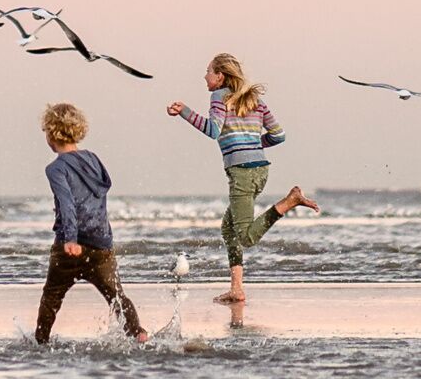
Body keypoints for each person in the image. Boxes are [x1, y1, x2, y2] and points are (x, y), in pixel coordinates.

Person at [170, 52, 317, 306]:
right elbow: (278, 135)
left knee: (247, 237)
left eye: (208, 71)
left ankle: (290, 201)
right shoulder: (255, 100)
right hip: (259, 170)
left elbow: (213, 130)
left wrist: (184, 111)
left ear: (220, 76)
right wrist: (252, 143)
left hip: (242, 172)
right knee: (229, 229)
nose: (205, 77)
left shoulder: (218, 96)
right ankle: (236, 289)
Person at [36, 101, 147, 344]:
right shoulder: (94, 160)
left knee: (51, 298)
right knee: (117, 297)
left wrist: (71, 240)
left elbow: (67, 203)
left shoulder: (56, 169)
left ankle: (40, 342)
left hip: (70, 248)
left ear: (51, 133)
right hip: (101, 245)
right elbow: (105, 187)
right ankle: (138, 334)